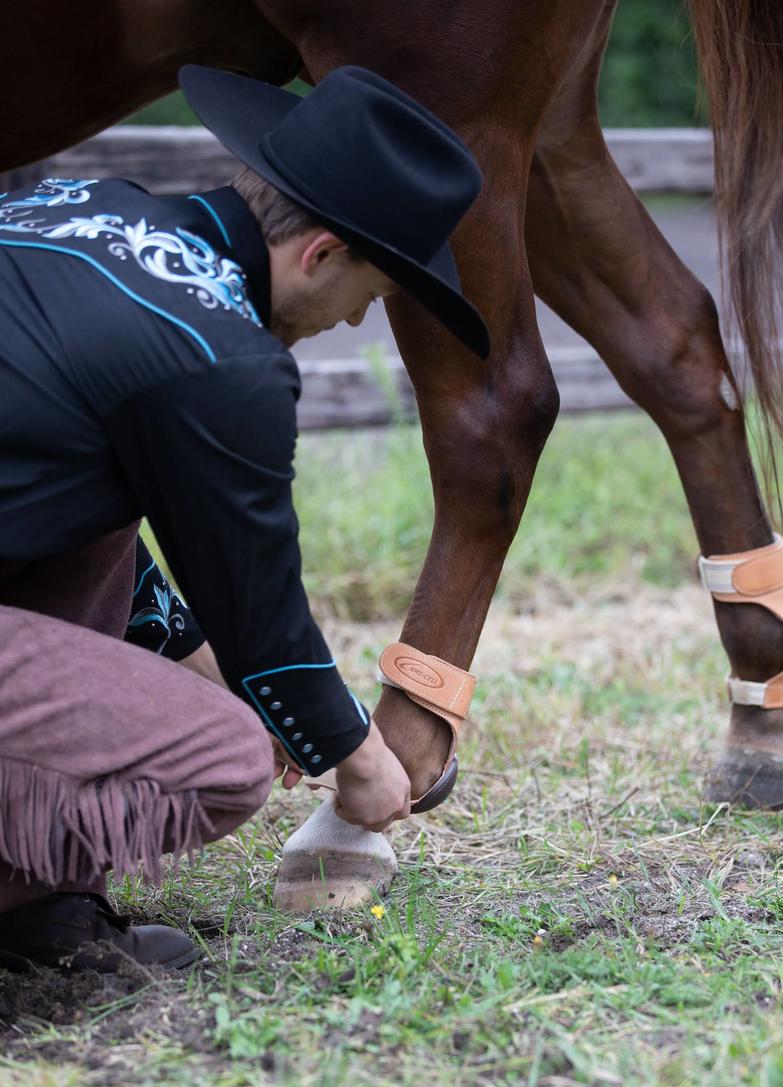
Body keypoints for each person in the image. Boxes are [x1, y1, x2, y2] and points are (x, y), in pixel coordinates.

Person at [0, 64, 489, 972]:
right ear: (322, 254)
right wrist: (359, 762)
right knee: (217, 759)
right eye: (370, 297)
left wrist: (209, 661)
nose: (351, 326)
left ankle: (34, 914)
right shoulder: (217, 355)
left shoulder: (72, 211)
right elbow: (267, 623)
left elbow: (49, 496)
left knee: (112, 496)